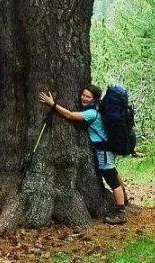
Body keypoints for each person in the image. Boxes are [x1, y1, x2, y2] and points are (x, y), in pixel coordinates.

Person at [37, 85, 127, 224]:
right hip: (106, 148)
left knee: (111, 179)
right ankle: (124, 196)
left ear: (94, 99)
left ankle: (121, 213)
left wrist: (52, 104)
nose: (84, 98)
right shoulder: (98, 108)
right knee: (113, 172)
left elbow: (70, 115)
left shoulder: (91, 113)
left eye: (88, 96)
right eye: (83, 95)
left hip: (103, 150)